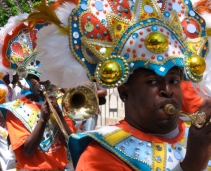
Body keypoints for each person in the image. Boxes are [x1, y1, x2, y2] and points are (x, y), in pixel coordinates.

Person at [23, 0, 211, 170]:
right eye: (152, 82)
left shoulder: (196, 138)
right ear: (124, 92)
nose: (168, 91)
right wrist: (191, 166)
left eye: (174, 81)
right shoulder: (100, 155)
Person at [0, 12, 76, 170]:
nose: (41, 81)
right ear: (27, 78)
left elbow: (70, 143)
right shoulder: (15, 109)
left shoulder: (62, 105)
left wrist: (59, 115)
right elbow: (27, 151)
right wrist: (43, 119)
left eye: (46, 76)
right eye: (35, 77)